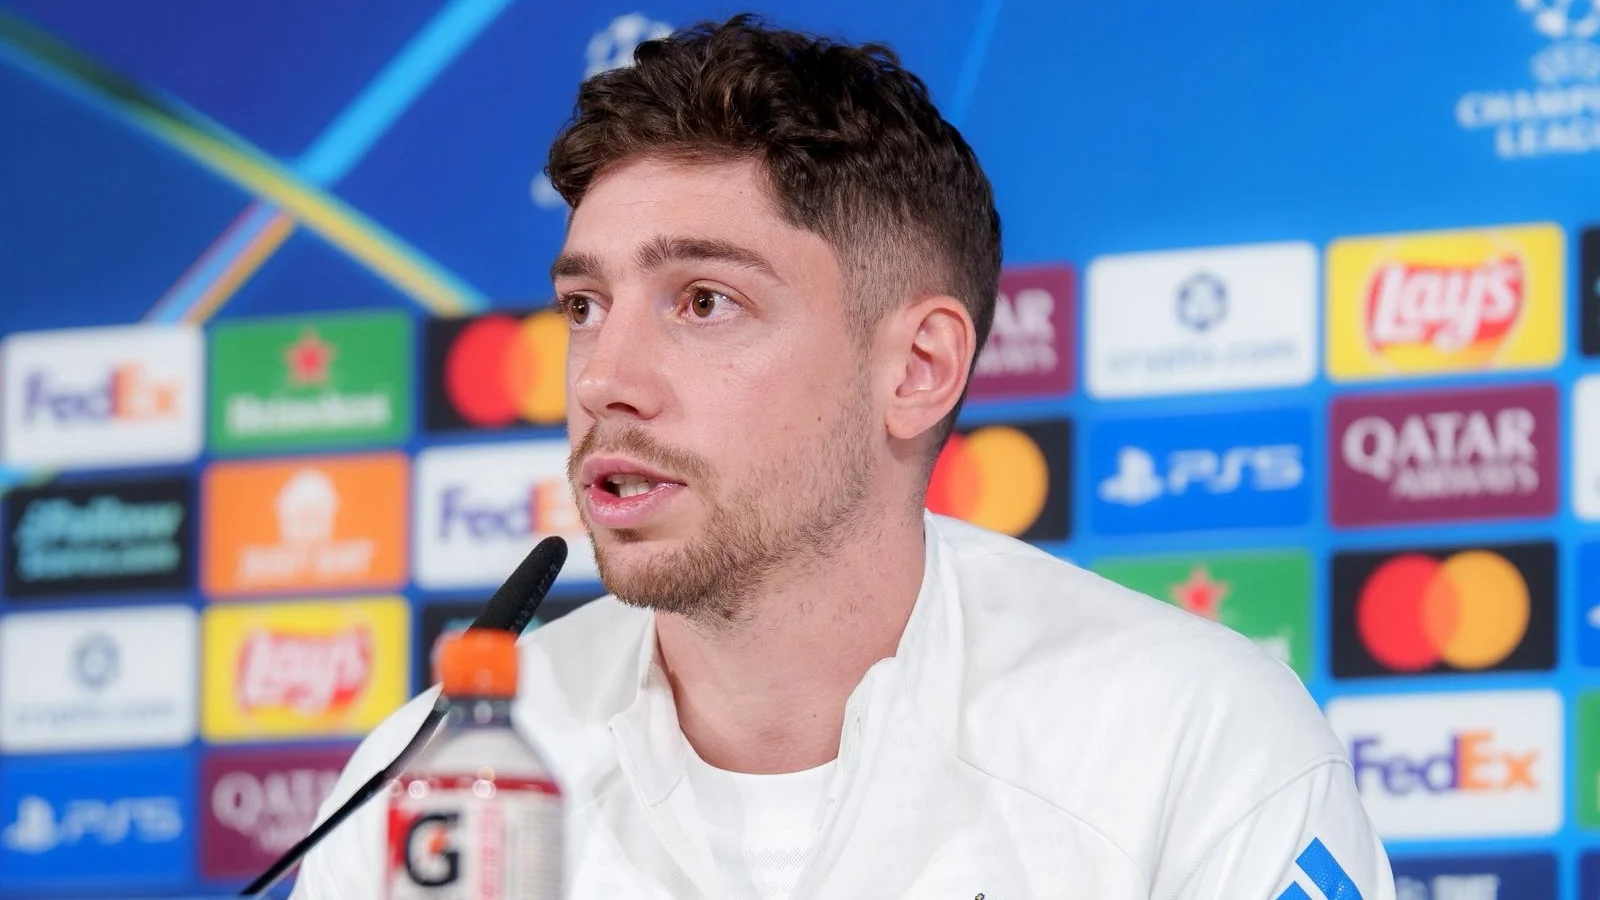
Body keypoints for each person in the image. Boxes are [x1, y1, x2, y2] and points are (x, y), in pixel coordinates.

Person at [293, 13, 1395, 899]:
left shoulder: (1188, 741)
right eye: (584, 303)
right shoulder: (437, 782)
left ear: (916, 368)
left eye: (704, 301)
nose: (600, 379)